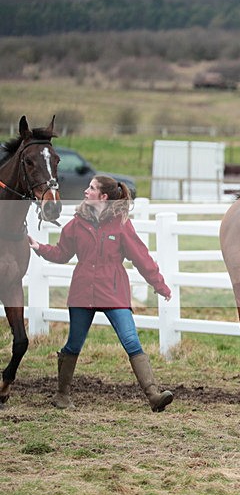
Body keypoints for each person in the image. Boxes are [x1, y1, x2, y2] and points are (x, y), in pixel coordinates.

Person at [28, 175, 174, 412]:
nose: (86, 191)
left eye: (92, 188)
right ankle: (61, 395)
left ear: (103, 197)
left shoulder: (121, 224)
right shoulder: (76, 224)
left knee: (131, 340)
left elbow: (142, 258)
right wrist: (40, 248)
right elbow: (61, 253)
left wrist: (160, 286)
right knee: (73, 345)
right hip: (82, 292)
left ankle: (154, 395)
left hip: (113, 292)